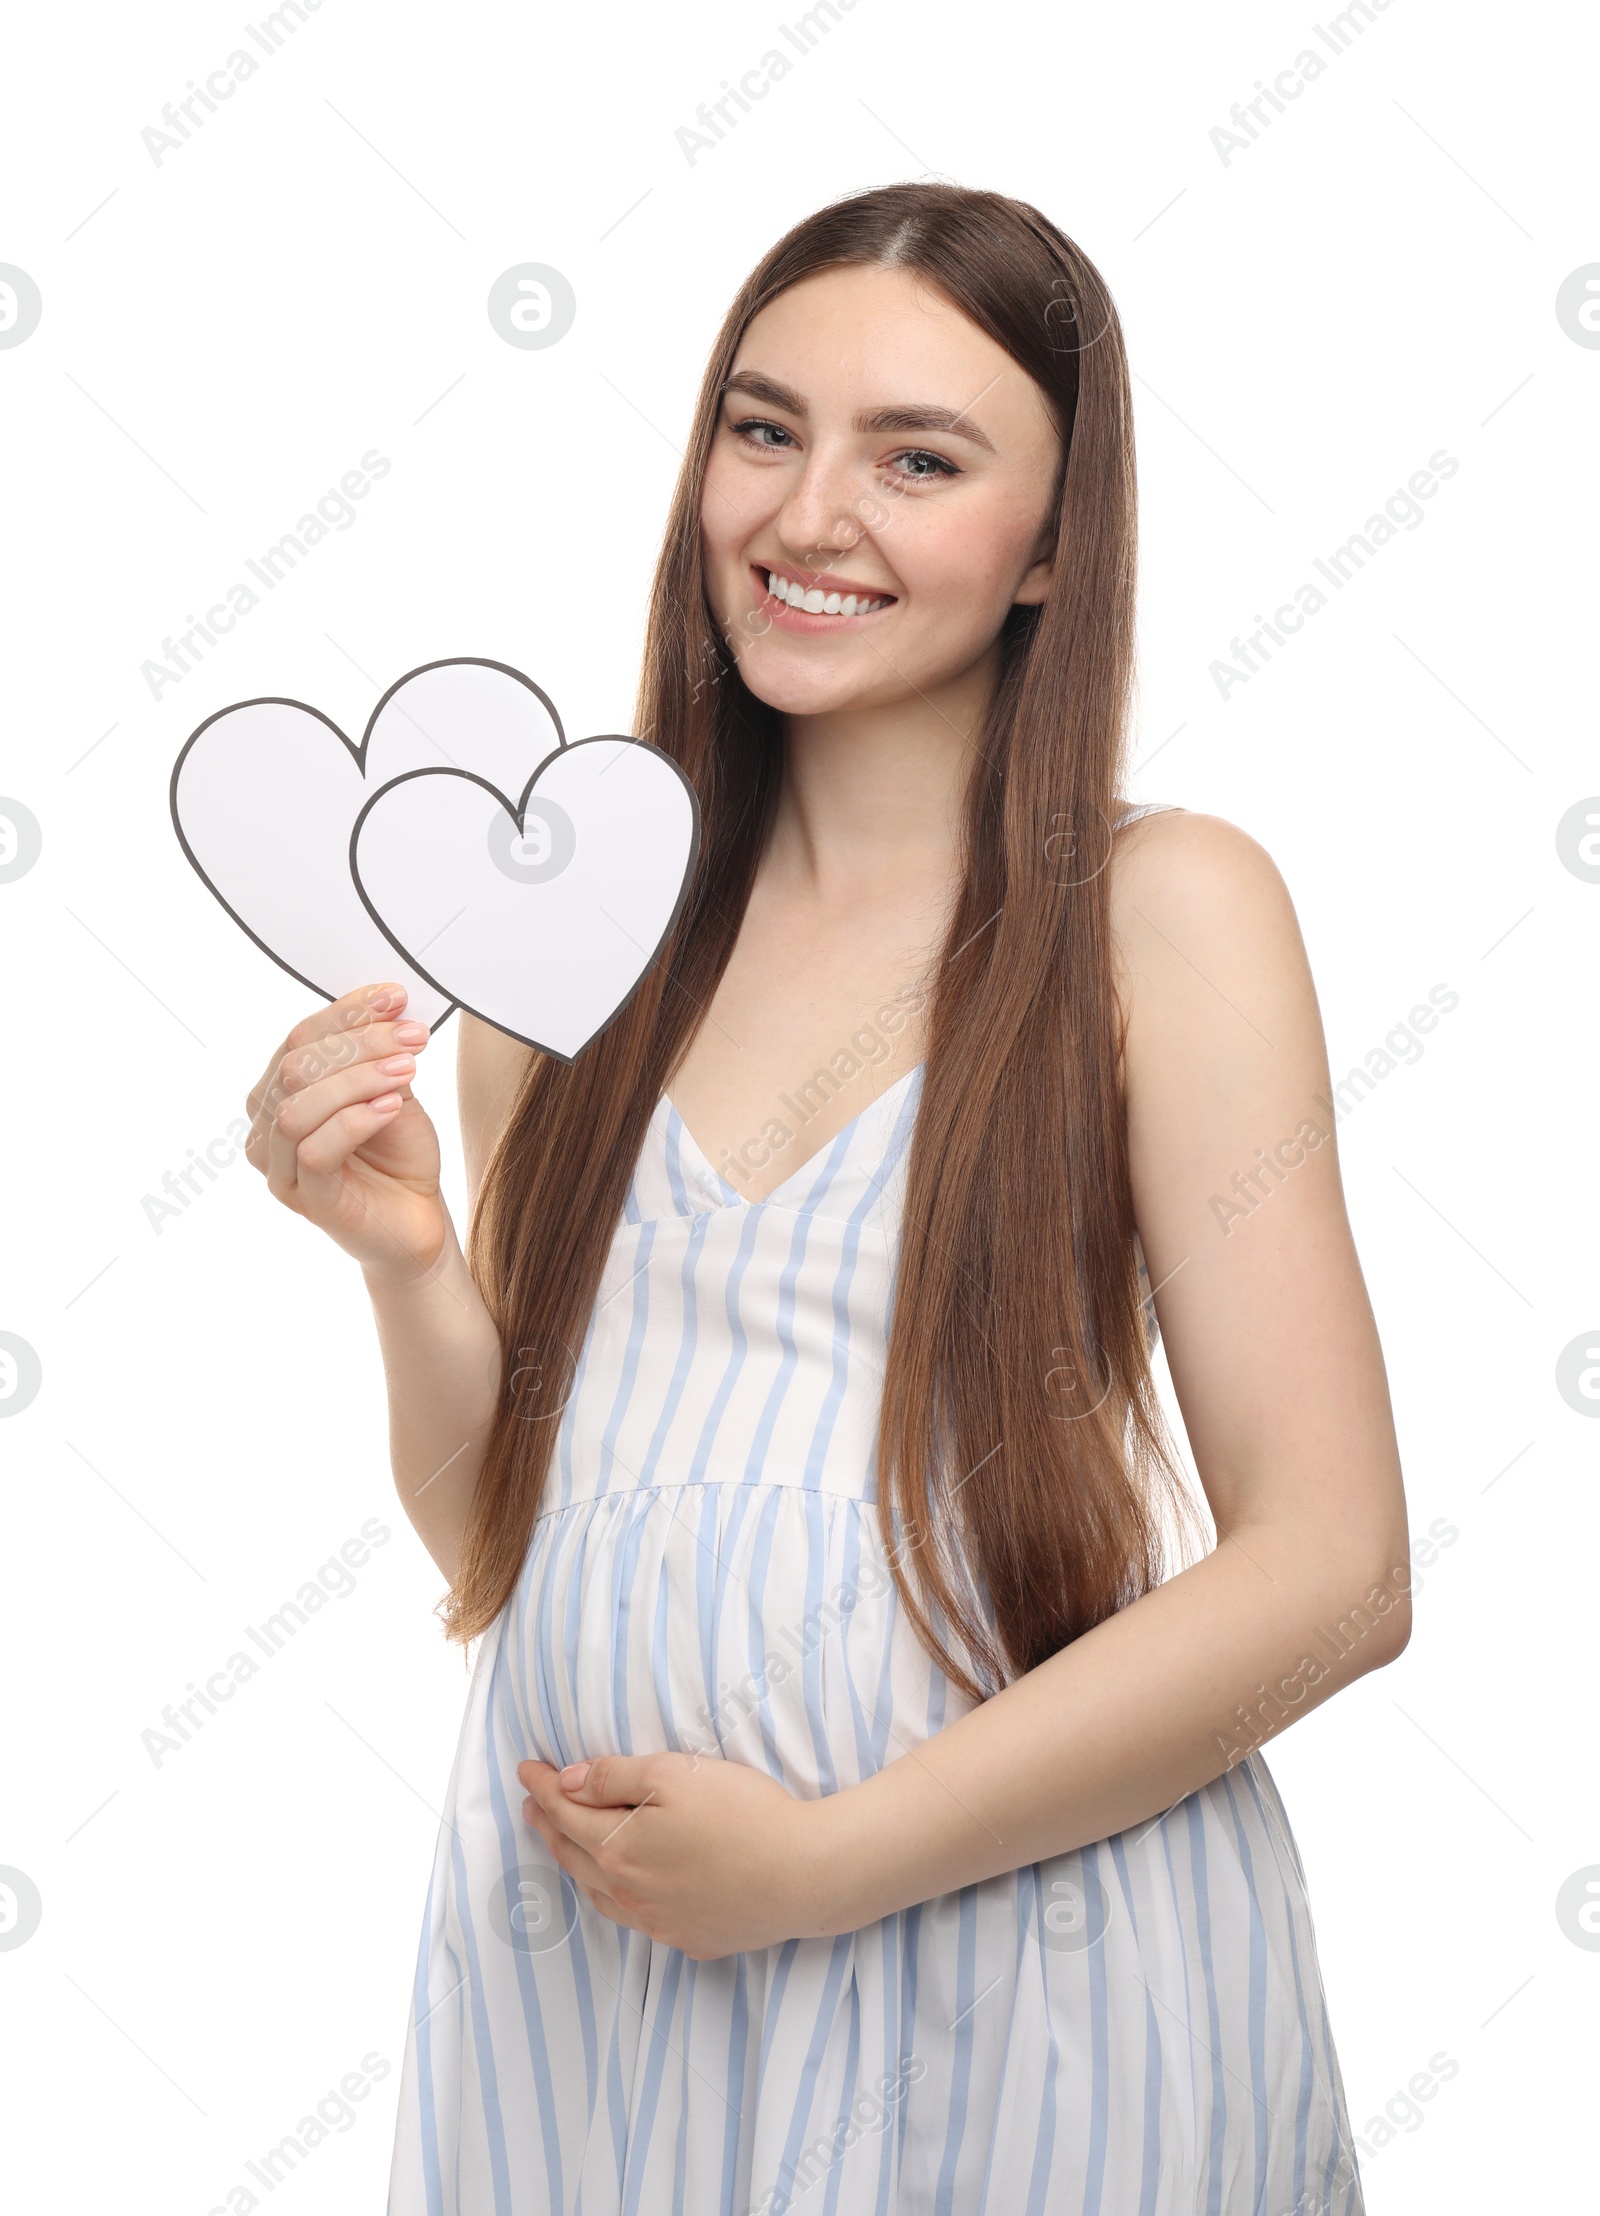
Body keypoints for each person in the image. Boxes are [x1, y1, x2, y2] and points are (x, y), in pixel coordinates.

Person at [246, 183, 1409, 2215]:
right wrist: (403, 1262)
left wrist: (823, 1865)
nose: (804, 516)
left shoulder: (1159, 911)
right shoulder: (578, 922)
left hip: (1022, 1989)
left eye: (918, 458)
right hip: (597, 1994)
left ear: (1053, 544)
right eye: (762, 428)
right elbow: (506, 1531)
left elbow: (1330, 1570)